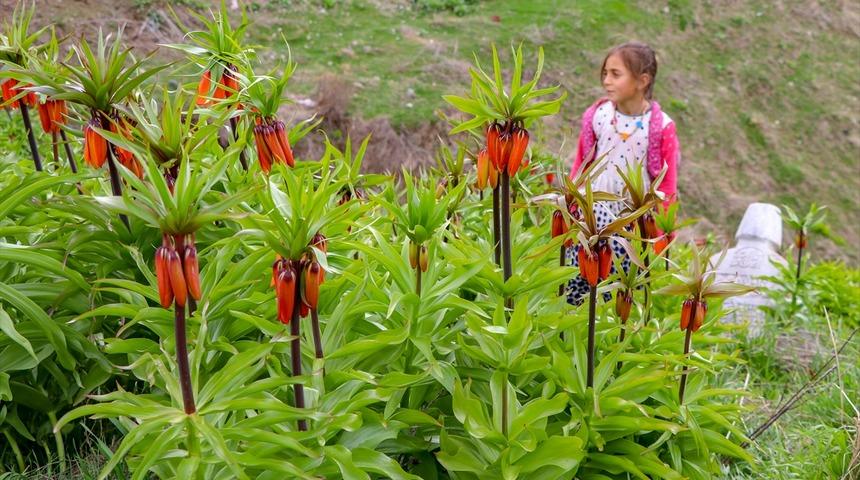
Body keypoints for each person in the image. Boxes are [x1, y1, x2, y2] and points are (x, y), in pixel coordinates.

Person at [566, 41, 680, 305]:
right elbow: (582, 163)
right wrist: (570, 200)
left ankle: (606, 336)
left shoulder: (662, 126)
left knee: (618, 287)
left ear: (642, 80)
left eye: (616, 74)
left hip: (632, 218)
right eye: (605, 73)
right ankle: (576, 329)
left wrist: (665, 231)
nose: (607, 81)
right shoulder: (598, 115)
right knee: (579, 278)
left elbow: (668, 184)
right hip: (592, 210)